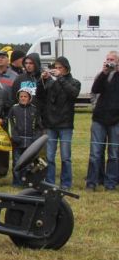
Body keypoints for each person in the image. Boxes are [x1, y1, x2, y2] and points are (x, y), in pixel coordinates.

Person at [41, 56, 80, 189]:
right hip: (51, 124)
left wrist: (61, 78)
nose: (57, 70)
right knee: (50, 157)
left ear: (66, 69)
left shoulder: (75, 82)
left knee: (65, 157)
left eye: (60, 68)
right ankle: (50, 183)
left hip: (65, 125)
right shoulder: (51, 83)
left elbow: (73, 94)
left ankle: (66, 183)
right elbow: (41, 94)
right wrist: (43, 79)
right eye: (55, 68)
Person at [87, 51, 119, 191]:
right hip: (99, 119)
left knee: (113, 154)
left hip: (116, 120)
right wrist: (104, 72)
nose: (109, 62)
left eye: (112, 60)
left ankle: (110, 183)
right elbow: (95, 90)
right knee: (95, 153)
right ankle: (92, 182)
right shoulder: (101, 75)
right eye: (107, 59)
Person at [8, 87, 43, 186]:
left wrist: (35, 138)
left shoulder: (34, 109)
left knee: (28, 163)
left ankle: (26, 182)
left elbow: (38, 126)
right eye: (21, 96)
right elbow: (11, 124)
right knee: (17, 162)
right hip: (17, 141)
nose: (23, 98)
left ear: (29, 97)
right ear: (18, 97)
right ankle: (16, 182)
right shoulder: (14, 109)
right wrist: (14, 136)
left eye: (25, 96)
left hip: (30, 142)